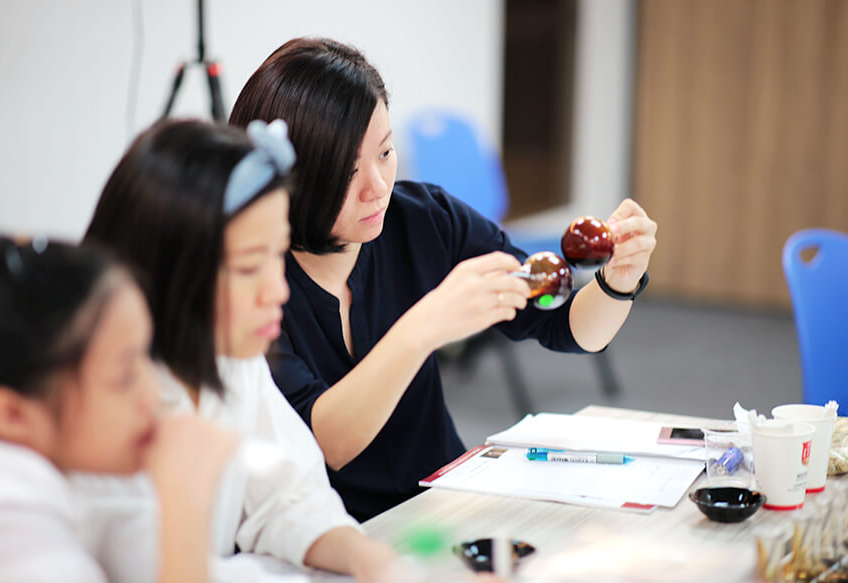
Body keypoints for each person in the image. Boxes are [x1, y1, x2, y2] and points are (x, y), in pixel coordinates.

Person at [229, 37, 659, 521]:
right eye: (348, 171)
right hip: (330, 531)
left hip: (444, 498)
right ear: (291, 180)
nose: (377, 187)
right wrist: (424, 327)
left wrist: (618, 281)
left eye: (386, 152)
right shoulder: (250, 286)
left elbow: (565, 325)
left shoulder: (425, 219)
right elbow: (326, 442)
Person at [82, 117, 395, 583]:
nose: (277, 291)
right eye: (249, 267)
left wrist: (369, 558)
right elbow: (162, 574)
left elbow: (286, 495)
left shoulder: (231, 359)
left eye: (277, 256)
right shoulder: (103, 408)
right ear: (169, 269)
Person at [0, 235, 235, 583]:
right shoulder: (1, 534)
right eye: (124, 377)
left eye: (147, 357)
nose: (154, 394)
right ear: (12, 414)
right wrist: (186, 504)